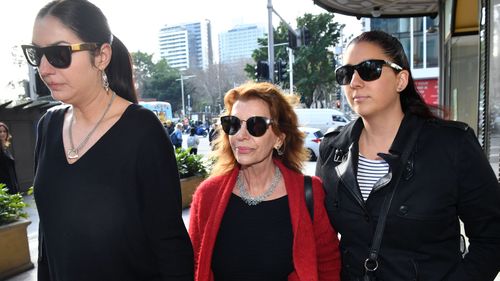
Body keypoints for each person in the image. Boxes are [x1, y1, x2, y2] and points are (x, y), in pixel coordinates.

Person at [25, 1, 193, 280]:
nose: (43, 68)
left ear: (102, 56)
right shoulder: (48, 127)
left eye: (58, 53)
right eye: (37, 54)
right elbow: (48, 240)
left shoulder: (142, 130)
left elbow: (170, 245)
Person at [316, 30, 500, 281]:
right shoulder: (332, 150)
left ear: (401, 80)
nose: (355, 82)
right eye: (346, 74)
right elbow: (323, 242)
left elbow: (492, 238)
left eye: (369, 69)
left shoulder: (452, 145)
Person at [189, 81, 341, 281]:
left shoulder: (309, 193)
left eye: (256, 125)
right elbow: (193, 266)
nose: (241, 136)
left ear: (279, 138)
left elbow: (328, 266)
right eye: (233, 124)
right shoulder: (207, 195)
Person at [0, 122, 19, 194]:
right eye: (0, 131)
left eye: (4, 131)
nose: (2, 133)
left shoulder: (5, 148)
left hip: (12, 184)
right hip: (3, 187)